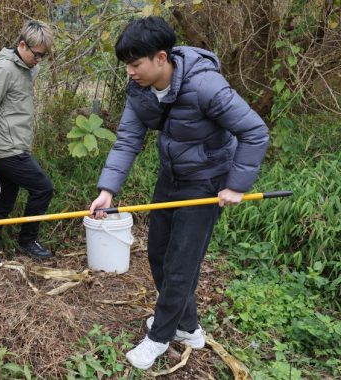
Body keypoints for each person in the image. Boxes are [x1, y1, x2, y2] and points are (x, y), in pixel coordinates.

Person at [88, 17, 269, 370]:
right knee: (158, 253)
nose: (130, 72)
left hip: (206, 183)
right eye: (126, 64)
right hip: (170, 177)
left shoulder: (206, 86)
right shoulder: (140, 90)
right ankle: (187, 326)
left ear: (160, 58)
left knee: (181, 264)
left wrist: (235, 185)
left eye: (135, 64)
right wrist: (108, 190)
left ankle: (159, 337)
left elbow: (255, 132)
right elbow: (128, 138)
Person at [0, 20, 55, 260]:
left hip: (14, 146)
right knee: (43, 189)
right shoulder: (5, 69)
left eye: (44, 55)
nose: (39, 59)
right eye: (37, 54)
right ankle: (28, 240)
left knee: (3, 201)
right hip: (5, 149)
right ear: (22, 45)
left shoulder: (24, 69)